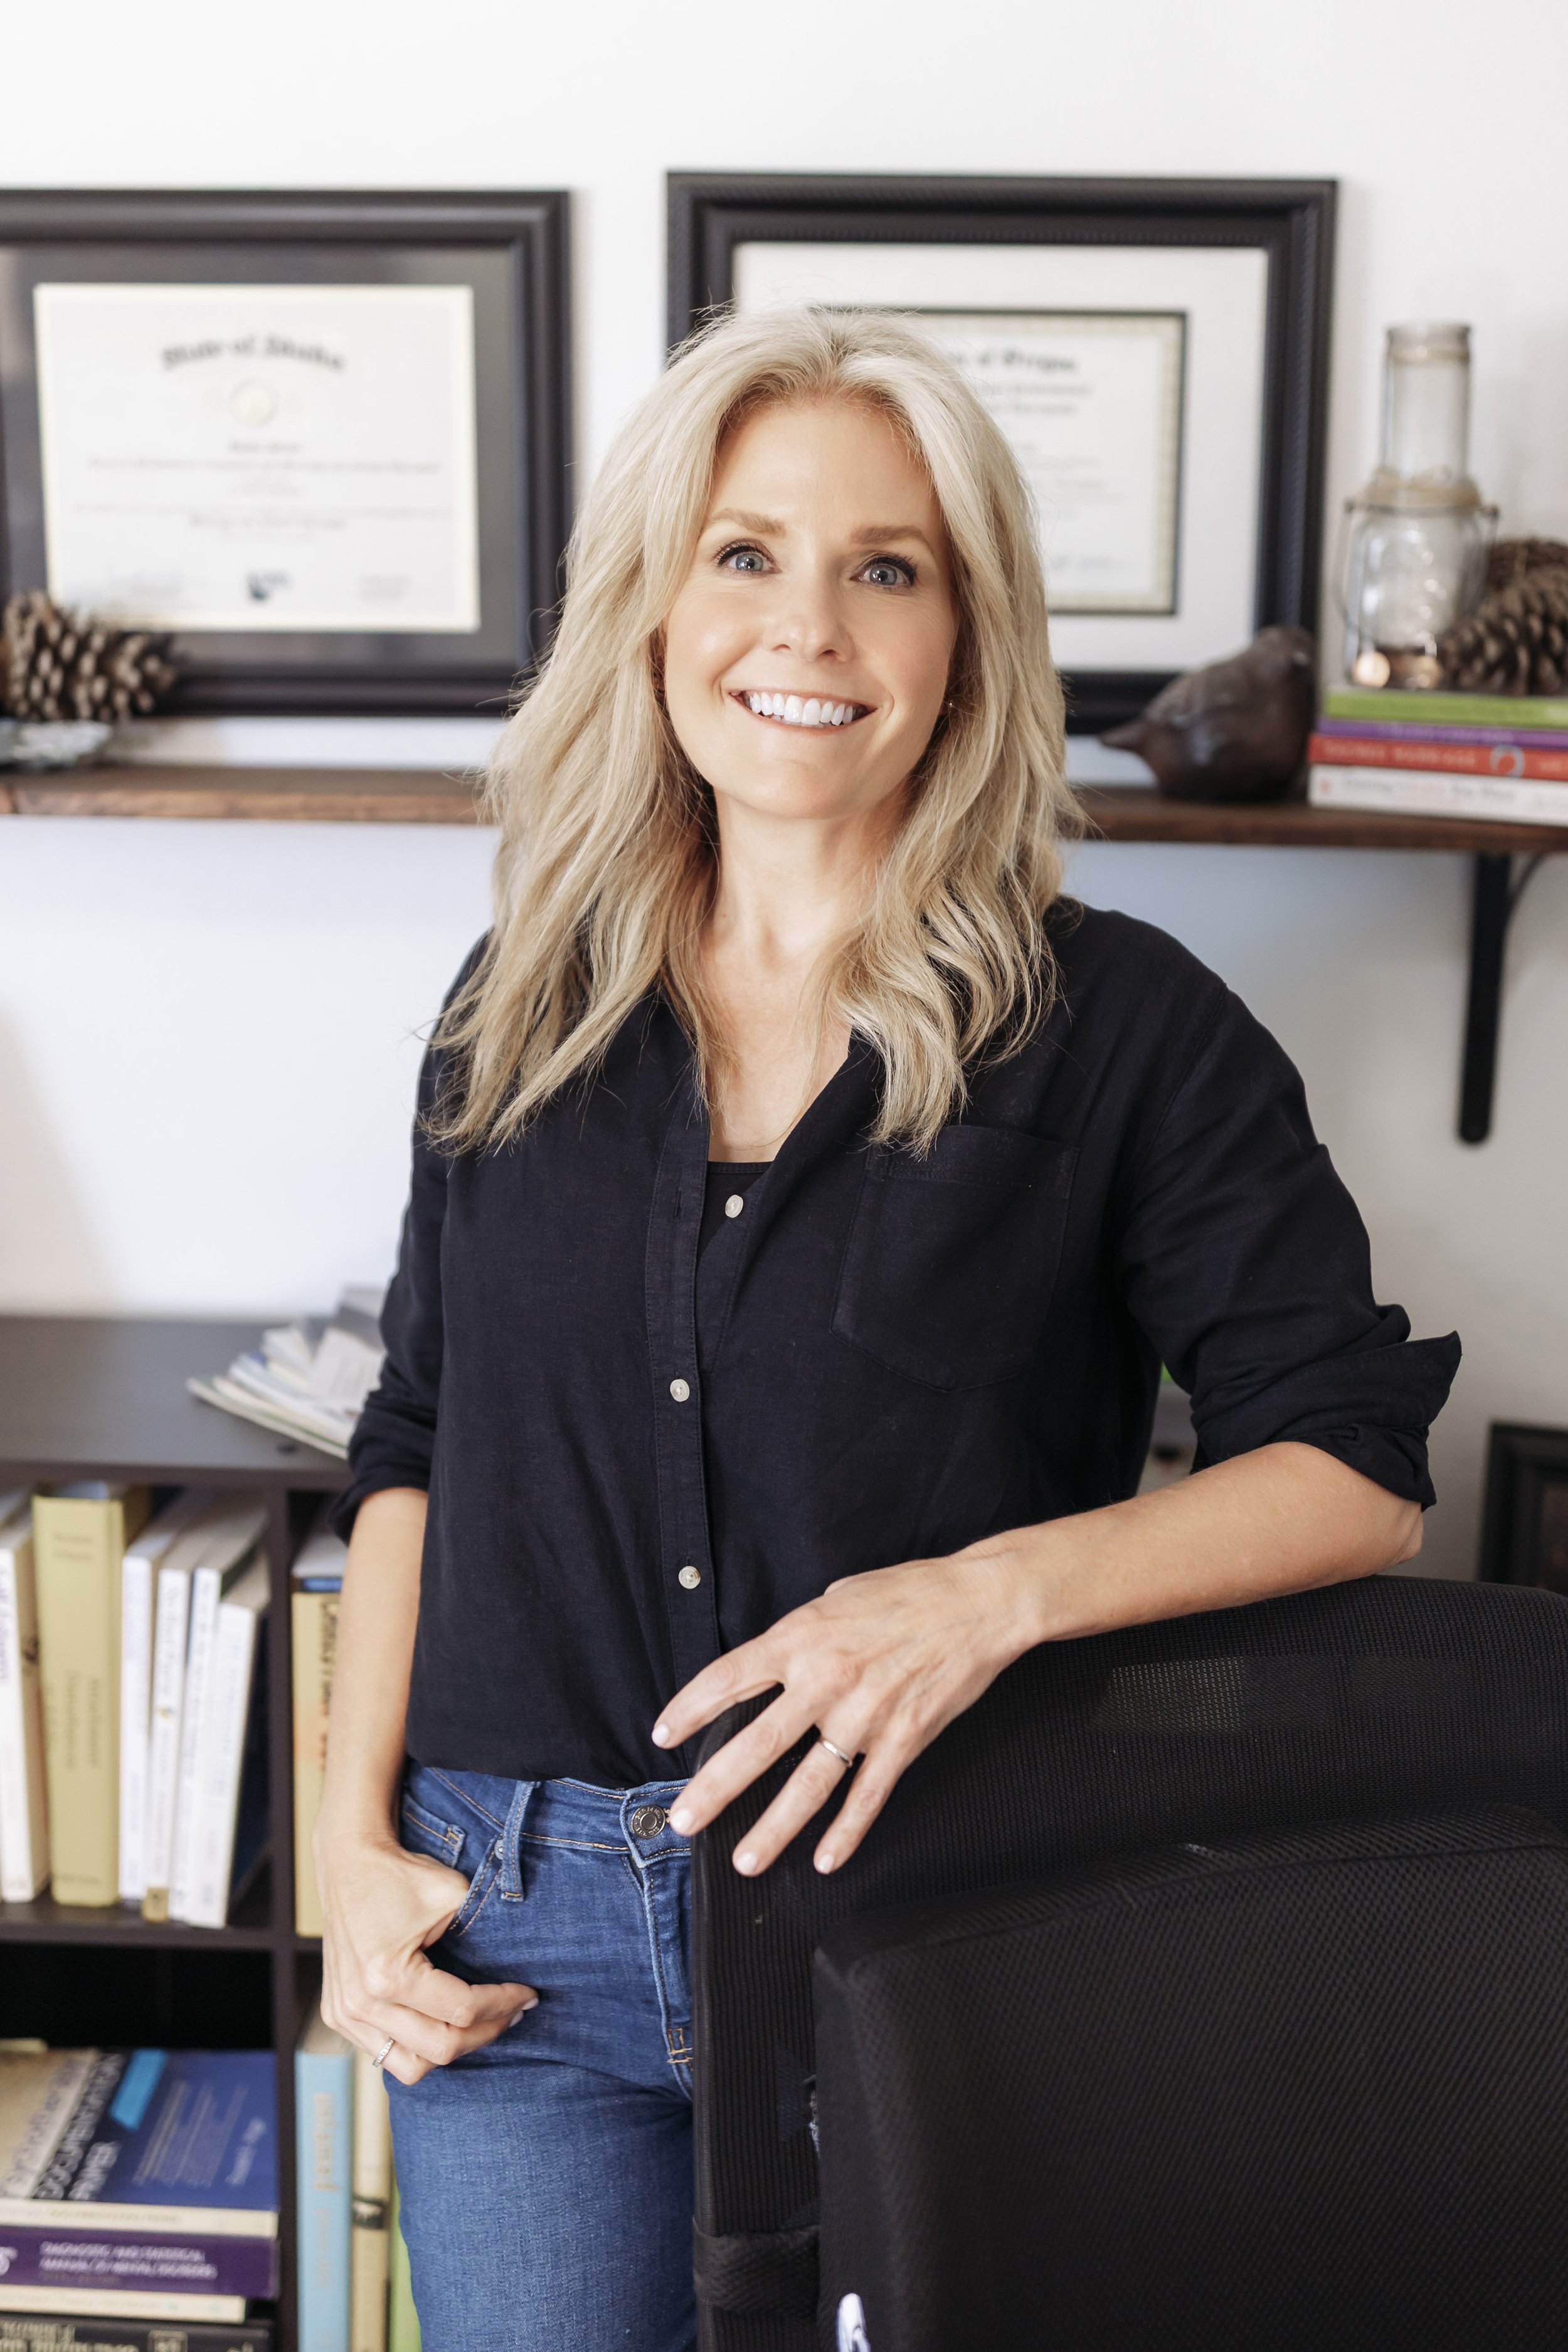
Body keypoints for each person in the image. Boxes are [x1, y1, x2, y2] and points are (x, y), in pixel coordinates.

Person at [315, 305, 1458, 2352]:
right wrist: (340, 1852)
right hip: (510, 1955)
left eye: (886, 566)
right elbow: (413, 1436)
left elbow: (1354, 1468)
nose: (808, 629)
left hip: (923, 1931)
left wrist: (977, 1601)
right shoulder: (519, 1002)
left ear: (966, 635)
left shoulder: (1126, 1030)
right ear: (655, 609)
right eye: (744, 553)